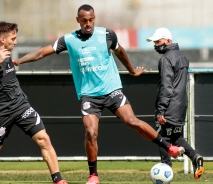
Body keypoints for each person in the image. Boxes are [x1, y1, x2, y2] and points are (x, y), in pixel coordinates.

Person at [13, 5, 185, 184]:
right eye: (84, 20)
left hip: (111, 89)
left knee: (132, 121)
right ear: (78, 20)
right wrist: (19, 60)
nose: (88, 24)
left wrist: (132, 70)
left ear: (94, 18)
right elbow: (41, 52)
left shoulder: (107, 35)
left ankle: (169, 147)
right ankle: (93, 175)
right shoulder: (69, 39)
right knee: (90, 132)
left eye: (91, 20)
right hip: (89, 95)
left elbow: (121, 52)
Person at [0, 21, 67, 184]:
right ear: (2, 39)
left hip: (21, 105)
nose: (16, 41)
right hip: (0, 112)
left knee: (44, 139)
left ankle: (58, 180)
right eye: (13, 38)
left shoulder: (6, 52)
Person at [147, 27, 204, 179]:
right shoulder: (183, 57)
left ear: (168, 41)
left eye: (158, 41)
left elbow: (167, 86)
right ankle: (195, 156)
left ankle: (165, 173)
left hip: (169, 106)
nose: (156, 45)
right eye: (155, 42)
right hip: (180, 105)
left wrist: (161, 110)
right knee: (176, 137)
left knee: (162, 139)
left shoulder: (166, 59)